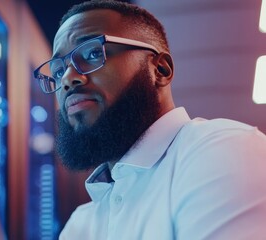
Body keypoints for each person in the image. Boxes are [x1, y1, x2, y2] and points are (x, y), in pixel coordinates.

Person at [33, 0, 266, 239]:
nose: (68, 78)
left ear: (160, 70)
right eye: (58, 70)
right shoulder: (81, 224)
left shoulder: (222, 151)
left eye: (93, 53)